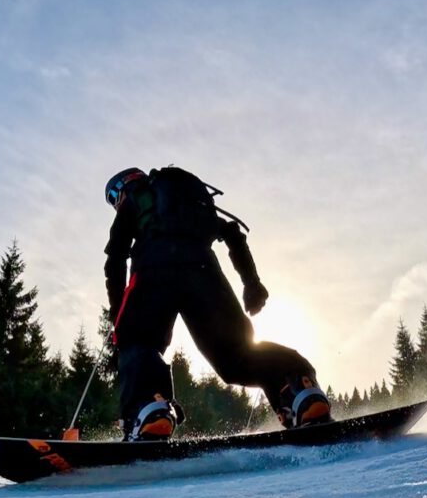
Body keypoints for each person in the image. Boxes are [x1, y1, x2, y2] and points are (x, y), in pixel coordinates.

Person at [104, 166, 332, 440]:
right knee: (236, 357)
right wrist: (252, 283)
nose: (115, 202)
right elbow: (234, 235)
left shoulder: (137, 200)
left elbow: (115, 260)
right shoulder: (188, 203)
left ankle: (149, 411)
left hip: (153, 270)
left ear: (122, 187)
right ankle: (298, 389)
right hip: (204, 271)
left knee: (138, 343)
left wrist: (118, 317)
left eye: (113, 196)